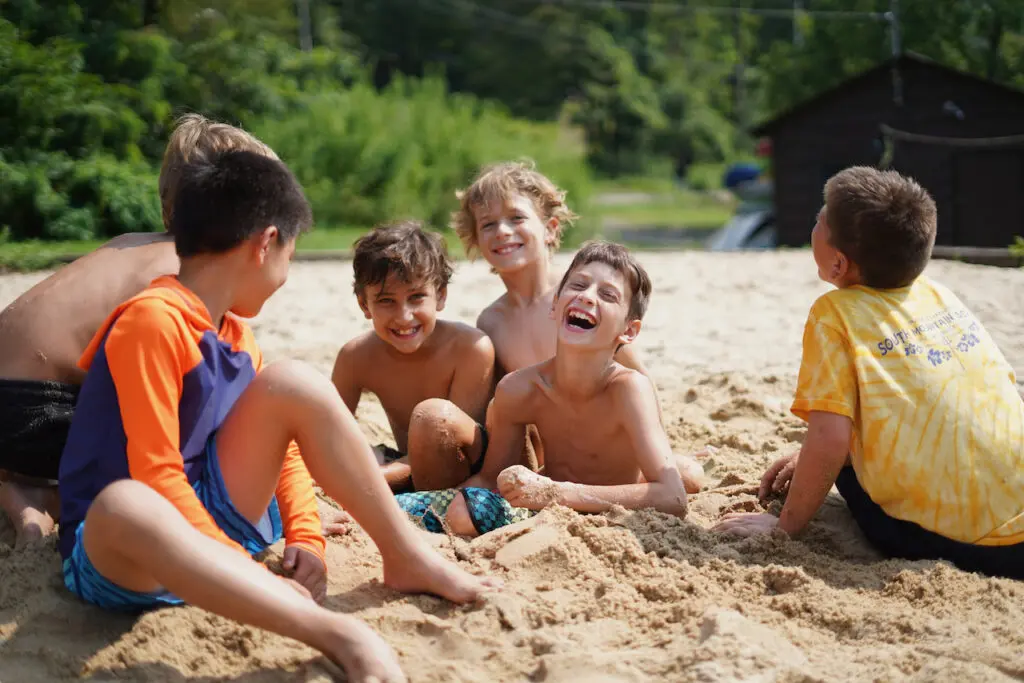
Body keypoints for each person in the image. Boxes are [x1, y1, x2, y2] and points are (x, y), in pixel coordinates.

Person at [57, 149, 500, 682]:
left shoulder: (235, 331)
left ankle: (407, 557)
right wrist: (249, 571)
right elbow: (156, 475)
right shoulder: (152, 323)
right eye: (290, 253)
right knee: (126, 503)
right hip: (129, 554)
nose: (286, 271)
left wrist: (305, 536)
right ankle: (336, 632)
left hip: (215, 520)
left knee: (293, 380)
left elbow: (286, 453)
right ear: (267, 243)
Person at [714, 166, 1024, 581]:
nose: (814, 224)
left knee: (838, 459)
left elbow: (830, 439)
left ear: (839, 263)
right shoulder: (938, 295)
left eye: (818, 221)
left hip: (967, 546)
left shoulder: (834, 314)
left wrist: (784, 526)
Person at [0, 114, 293, 547]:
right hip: (40, 408)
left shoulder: (132, 244)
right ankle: (48, 493)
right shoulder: (181, 273)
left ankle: (29, 489)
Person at [410, 161, 704, 491]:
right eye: (488, 224)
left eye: (516, 218)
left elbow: (638, 381)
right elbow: (505, 407)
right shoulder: (492, 321)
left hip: (608, 446)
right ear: (476, 239)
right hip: (547, 451)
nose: (502, 231)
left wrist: (657, 445)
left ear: (550, 228)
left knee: (687, 475)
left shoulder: (580, 300)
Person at [403, 241, 693, 536]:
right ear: (555, 305)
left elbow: (674, 498)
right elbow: (490, 479)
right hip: (539, 509)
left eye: (607, 295)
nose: (587, 296)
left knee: (465, 515)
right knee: (424, 508)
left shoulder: (628, 389)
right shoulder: (520, 388)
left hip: (606, 516)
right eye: (578, 285)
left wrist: (557, 492)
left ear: (629, 331)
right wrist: (439, 502)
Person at [330, 221, 494, 492]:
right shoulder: (355, 358)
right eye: (386, 301)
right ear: (364, 304)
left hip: (467, 475)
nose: (404, 316)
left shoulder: (471, 348)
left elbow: (454, 449)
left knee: (434, 418)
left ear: (440, 296)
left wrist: (374, 476)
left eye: (417, 297)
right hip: (406, 467)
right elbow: (328, 436)